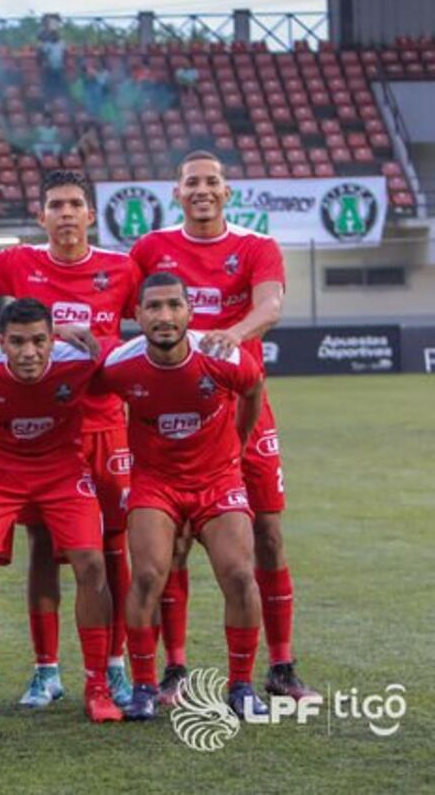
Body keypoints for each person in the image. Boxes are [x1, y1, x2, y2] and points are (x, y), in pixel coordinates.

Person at [128, 150, 315, 703]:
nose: (202, 190)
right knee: (171, 546)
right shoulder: (151, 249)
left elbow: (272, 305)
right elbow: (114, 297)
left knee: (269, 537)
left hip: (242, 408)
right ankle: (175, 670)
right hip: (172, 415)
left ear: (228, 192)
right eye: (192, 182)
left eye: (212, 181)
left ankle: (280, 668)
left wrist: (232, 333)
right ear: (176, 192)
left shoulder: (255, 247)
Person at [0, 169, 141, 709]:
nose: (65, 213)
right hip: (39, 429)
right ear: (41, 216)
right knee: (42, 546)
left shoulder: (122, 268)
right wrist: (1, 331)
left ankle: (113, 669)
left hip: (103, 427)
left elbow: (156, 319)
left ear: (91, 215)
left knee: (109, 550)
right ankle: (46, 670)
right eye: (55, 205)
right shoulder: (18, 262)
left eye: (75, 204)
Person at [0, 299, 124, 726]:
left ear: (52, 339)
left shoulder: (80, 356)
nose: (29, 352)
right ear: (0, 343)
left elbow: (146, 347)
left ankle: (97, 686)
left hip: (62, 470)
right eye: (18, 342)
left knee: (91, 563)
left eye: (40, 341)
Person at [97, 272, 268, 721]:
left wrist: (239, 444)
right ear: (137, 315)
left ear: (190, 312)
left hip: (218, 479)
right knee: (149, 576)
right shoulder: (120, 364)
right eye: (153, 307)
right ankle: (144, 688)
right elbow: (86, 388)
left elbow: (252, 389)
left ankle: (242, 685)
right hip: (156, 482)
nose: (165, 316)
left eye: (174, 305)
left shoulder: (221, 355)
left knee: (238, 574)